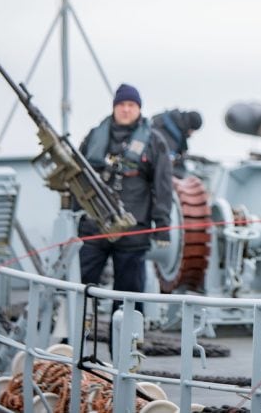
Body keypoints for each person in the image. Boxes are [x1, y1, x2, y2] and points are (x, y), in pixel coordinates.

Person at [77, 83, 173, 308]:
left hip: (133, 233)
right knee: (79, 288)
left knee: (129, 298)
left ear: (139, 108)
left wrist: (162, 227)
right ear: (114, 108)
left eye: (131, 105)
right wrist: (75, 215)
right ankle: (72, 339)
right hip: (94, 229)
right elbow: (78, 177)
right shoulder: (94, 136)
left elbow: (163, 188)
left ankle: (125, 343)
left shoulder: (154, 141)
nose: (126, 109)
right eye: (121, 104)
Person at [152, 109, 203, 177]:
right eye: (192, 130)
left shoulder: (167, 119)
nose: (191, 134)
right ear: (189, 126)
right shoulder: (171, 138)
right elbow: (163, 163)